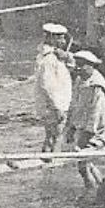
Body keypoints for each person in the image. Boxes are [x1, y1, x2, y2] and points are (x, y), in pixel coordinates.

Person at [65, 50, 105, 199]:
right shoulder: (80, 80)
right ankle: (99, 187)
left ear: (91, 66)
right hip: (83, 126)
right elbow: (75, 105)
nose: (78, 68)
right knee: (85, 162)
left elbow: (96, 113)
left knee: (83, 162)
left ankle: (93, 190)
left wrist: (88, 134)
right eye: (77, 65)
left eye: (82, 65)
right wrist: (71, 126)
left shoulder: (97, 85)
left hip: (96, 129)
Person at [35, 22, 73, 152]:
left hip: (55, 102)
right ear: (52, 38)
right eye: (60, 38)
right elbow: (48, 85)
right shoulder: (49, 59)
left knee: (51, 135)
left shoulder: (55, 55)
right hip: (54, 104)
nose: (63, 41)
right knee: (56, 135)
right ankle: (53, 162)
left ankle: (48, 158)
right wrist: (57, 108)